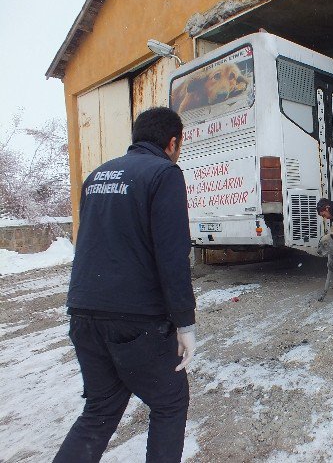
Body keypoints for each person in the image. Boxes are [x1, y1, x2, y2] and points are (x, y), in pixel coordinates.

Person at [54, 107, 196, 463]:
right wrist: (185, 321)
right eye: (179, 145)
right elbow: (172, 252)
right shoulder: (164, 173)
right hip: (135, 321)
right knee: (169, 403)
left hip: (84, 313)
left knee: (100, 410)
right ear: (172, 141)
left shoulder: (97, 175)